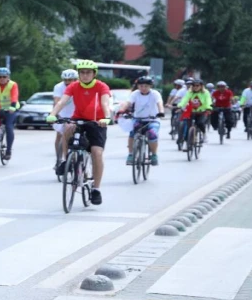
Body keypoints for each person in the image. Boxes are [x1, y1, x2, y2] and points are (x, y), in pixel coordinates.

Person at [46, 59, 111, 205]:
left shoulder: (101, 86)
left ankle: (96, 189)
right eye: (82, 72)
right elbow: (62, 102)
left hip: (97, 121)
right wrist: (53, 113)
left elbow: (105, 103)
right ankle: (64, 160)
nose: (85, 75)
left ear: (94, 74)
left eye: (88, 72)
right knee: (67, 127)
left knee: (96, 152)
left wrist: (106, 118)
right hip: (79, 118)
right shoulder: (74, 86)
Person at [118, 76, 165, 165]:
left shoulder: (155, 94)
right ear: (138, 86)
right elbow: (128, 102)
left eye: (146, 86)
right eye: (141, 86)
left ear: (150, 86)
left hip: (152, 120)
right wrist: (122, 110)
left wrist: (161, 112)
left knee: (152, 134)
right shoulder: (135, 93)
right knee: (132, 132)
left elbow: (160, 103)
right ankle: (131, 154)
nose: (143, 88)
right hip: (138, 119)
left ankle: (154, 155)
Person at [52, 69, 78, 173]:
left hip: (76, 113)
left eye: (70, 80)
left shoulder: (80, 86)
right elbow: (57, 101)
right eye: (65, 80)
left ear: (75, 79)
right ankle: (60, 159)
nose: (67, 82)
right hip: (63, 113)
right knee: (60, 135)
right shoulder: (59, 87)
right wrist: (56, 114)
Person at [177, 79, 212, 144]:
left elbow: (208, 100)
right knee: (188, 126)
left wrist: (208, 108)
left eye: (197, 85)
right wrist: (180, 105)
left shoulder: (205, 92)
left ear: (201, 86)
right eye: (193, 85)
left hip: (202, 112)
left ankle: (204, 135)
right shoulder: (190, 92)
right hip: (192, 112)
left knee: (200, 123)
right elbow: (185, 99)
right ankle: (188, 144)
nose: (195, 87)